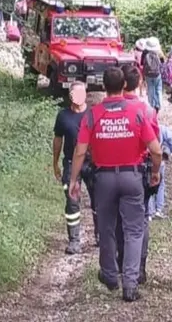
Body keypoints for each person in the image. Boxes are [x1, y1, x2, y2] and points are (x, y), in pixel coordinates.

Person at [68, 67, 162, 302]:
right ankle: (130, 284)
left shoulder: (92, 114)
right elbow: (156, 150)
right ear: (123, 86)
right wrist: (155, 172)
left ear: (103, 86)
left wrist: (74, 180)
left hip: (104, 179)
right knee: (133, 229)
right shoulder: (138, 111)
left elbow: (80, 152)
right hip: (132, 176)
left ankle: (110, 275)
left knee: (107, 227)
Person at [115, 64, 159, 285]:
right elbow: (155, 146)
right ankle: (138, 267)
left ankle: (121, 262)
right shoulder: (148, 111)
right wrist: (156, 172)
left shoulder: (110, 108)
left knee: (117, 219)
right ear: (140, 83)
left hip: (109, 171)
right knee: (139, 221)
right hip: (138, 170)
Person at [52, 82, 97, 254]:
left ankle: (100, 236)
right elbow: (58, 140)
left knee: (98, 199)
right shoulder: (63, 116)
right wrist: (55, 163)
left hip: (92, 163)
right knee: (72, 201)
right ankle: (74, 240)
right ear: (70, 96)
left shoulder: (93, 114)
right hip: (71, 163)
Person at [148, 124, 172, 219]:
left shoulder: (143, 127)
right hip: (160, 160)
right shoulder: (161, 128)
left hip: (146, 161)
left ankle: (150, 212)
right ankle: (159, 210)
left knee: (148, 184)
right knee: (161, 184)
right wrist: (168, 151)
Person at [140, 37, 164, 113]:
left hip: (148, 74)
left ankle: (151, 105)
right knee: (158, 89)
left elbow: (141, 63)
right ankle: (158, 105)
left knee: (150, 88)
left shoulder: (145, 52)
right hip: (157, 73)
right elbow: (163, 62)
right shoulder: (159, 52)